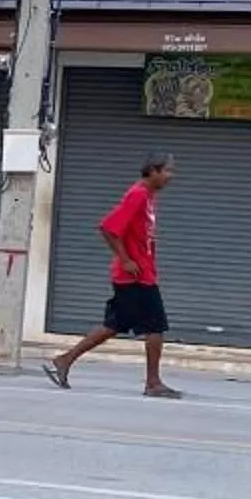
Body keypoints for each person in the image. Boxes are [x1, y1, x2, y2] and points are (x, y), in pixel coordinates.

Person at [47, 154, 182, 398]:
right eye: (167, 171)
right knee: (155, 326)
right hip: (135, 275)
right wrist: (126, 259)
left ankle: (65, 360)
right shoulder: (138, 195)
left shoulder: (149, 197)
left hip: (141, 272)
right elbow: (108, 227)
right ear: (153, 171)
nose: (171, 176)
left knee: (115, 324)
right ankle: (153, 383)